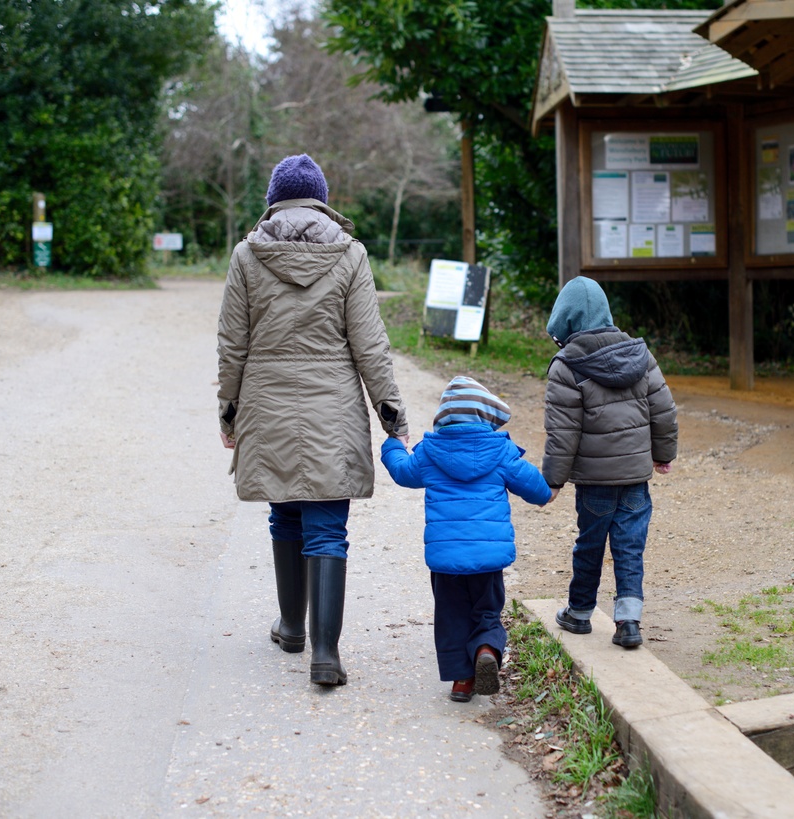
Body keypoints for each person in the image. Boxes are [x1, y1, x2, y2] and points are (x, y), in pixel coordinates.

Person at [217, 153, 409, 687]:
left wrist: (229, 413)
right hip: (333, 407)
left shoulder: (246, 255)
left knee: (284, 513)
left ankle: (291, 627)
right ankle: (325, 654)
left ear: (273, 202)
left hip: (268, 405)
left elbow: (232, 345)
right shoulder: (351, 254)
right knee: (327, 528)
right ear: (321, 200)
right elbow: (370, 345)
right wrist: (392, 414)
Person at [380, 376, 551, 702]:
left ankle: (462, 681)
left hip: (446, 561)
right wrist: (547, 492)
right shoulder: (501, 451)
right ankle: (486, 649)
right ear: (485, 416)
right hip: (488, 559)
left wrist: (393, 444)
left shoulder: (429, 452)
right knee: (487, 610)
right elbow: (536, 488)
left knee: (451, 615)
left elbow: (401, 472)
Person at [542, 276, 677, 649]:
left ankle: (579, 612)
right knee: (629, 546)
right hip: (635, 478)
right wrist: (663, 454)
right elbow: (664, 410)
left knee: (590, 544)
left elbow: (562, 433)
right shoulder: (639, 355)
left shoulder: (567, 366)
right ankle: (629, 621)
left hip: (595, 483)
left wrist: (552, 481)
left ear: (564, 320)